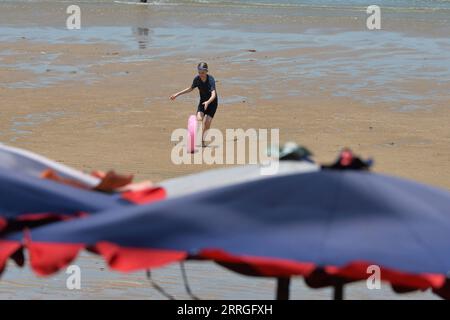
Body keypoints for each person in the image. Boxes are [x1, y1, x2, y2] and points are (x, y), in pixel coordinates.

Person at [170, 62, 218, 146]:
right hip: (203, 103)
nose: (201, 74)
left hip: (212, 103)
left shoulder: (211, 79)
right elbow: (190, 89)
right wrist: (177, 94)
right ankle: (193, 137)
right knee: (199, 119)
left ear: (206, 71)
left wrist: (208, 102)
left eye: (202, 72)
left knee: (207, 123)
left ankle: (202, 141)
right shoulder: (197, 79)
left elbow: (214, 94)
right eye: (199, 72)